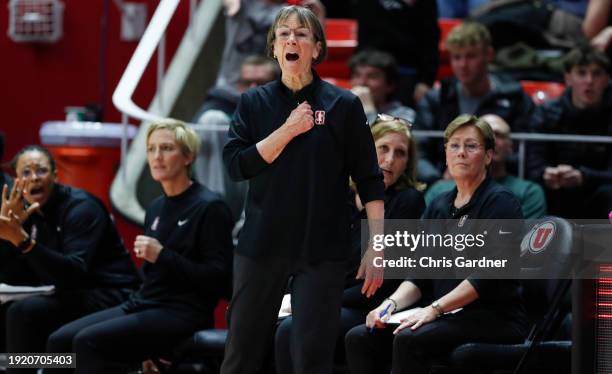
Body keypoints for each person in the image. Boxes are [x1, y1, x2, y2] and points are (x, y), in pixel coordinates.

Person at [221, 6, 386, 374]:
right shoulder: (253, 102)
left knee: (311, 359)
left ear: (316, 48)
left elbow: (370, 179)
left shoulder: (342, 105)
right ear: (274, 48)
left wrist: (377, 246)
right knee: (240, 355)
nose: (292, 39)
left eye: (301, 34)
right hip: (262, 247)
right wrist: (287, 130)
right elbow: (235, 165)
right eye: (283, 34)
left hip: (321, 250)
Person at [45, 119, 233, 374]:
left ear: (188, 156)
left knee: (87, 342)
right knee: (59, 341)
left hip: (183, 311)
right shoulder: (155, 207)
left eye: (166, 148)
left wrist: (163, 255)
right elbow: (152, 277)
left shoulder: (210, 207)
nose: (157, 156)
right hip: (144, 302)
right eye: (151, 149)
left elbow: (220, 280)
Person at [345, 114, 527, 374]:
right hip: (447, 313)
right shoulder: (439, 204)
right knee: (361, 336)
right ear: (446, 153)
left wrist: (434, 309)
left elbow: (486, 277)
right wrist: (389, 305)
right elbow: (419, 274)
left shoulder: (501, 203)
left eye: (471, 146)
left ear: (488, 156)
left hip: (494, 316)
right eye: (454, 145)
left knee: (409, 339)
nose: (461, 153)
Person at [275, 115, 426, 373]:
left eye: (400, 153)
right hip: (326, 299)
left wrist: (317, 300)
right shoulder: (337, 195)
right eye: (383, 149)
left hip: (368, 306)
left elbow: (384, 279)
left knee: (293, 329)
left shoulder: (407, 202)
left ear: (407, 164)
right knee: (258, 322)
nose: (390, 160)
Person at [0, 145, 141, 373]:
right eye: (26, 172)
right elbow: (17, 269)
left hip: (112, 293)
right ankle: (13, 367)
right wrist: (10, 234)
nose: (34, 178)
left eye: (41, 170)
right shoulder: (28, 213)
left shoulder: (81, 208)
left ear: (55, 175)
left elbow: (72, 273)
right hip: (72, 293)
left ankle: (30, 368)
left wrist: (23, 241)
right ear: (17, 180)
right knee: (10, 309)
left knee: (24, 312)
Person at [414, 21, 534, 175]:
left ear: (488, 55)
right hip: (446, 184)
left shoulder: (514, 98)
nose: (463, 65)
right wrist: (437, 181)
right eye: (457, 57)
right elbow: (419, 152)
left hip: (499, 183)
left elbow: (527, 153)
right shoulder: (436, 99)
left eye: (471, 56)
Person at [527, 45, 612, 218]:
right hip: (555, 193)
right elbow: (531, 165)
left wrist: (583, 177)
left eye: (596, 74)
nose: (589, 80)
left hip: (600, 194)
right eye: (581, 73)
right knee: (531, 190)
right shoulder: (546, 113)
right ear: (568, 78)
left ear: (607, 79)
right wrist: (546, 174)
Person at [193, 55, 279, 221]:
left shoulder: (291, 107)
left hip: (272, 199)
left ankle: (249, 224)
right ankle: (212, 213)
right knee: (212, 120)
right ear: (239, 86)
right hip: (231, 189)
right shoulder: (221, 103)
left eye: (261, 83)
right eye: (247, 83)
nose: (253, 88)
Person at [426, 114, 547, 218]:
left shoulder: (527, 192)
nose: (492, 141)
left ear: (510, 146)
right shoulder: (438, 193)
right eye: (455, 145)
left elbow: (525, 242)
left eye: (498, 135)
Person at [355, 0, 440, 106]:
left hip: (408, 73)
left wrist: (426, 81)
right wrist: (359, 72)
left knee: (402, 117)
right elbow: (363, 32)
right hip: (373, 70)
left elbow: (431, 38)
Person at [349, 50, 416, 125]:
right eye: (357, 75)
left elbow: (380, 136)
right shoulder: (344, 110)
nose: (362, 83)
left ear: (390, 85)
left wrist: (368, 111)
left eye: (372, 77)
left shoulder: (404, 114)